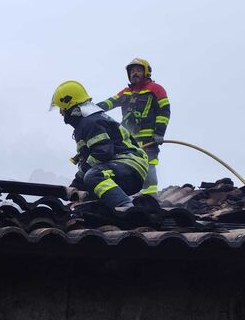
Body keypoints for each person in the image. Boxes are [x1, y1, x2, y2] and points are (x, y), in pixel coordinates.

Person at [51, 80, 149, 209]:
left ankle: (127, 208)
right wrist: (75, 185)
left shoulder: (90, 122)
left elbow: (102, 153)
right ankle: (110, 210)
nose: (61, 113)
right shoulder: (87, 122)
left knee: (94, 176)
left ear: (69, 104)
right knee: (90, 194)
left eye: (61, 109)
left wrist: (81, 178)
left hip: (128, 165)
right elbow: (87, 161)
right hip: (122, 169)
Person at [97, 58, 170, 195]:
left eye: (138, 70)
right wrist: (90, 109)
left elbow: (164, 111)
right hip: (128, 141)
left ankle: (151, 198)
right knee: (128, 166)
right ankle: (130, 197)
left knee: (149, 166)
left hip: (149, 139)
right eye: (132, 71)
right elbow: (109, 103)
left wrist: (160, 132)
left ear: (146, 72)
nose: (134, 73)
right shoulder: (126, 92)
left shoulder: (156, 89)